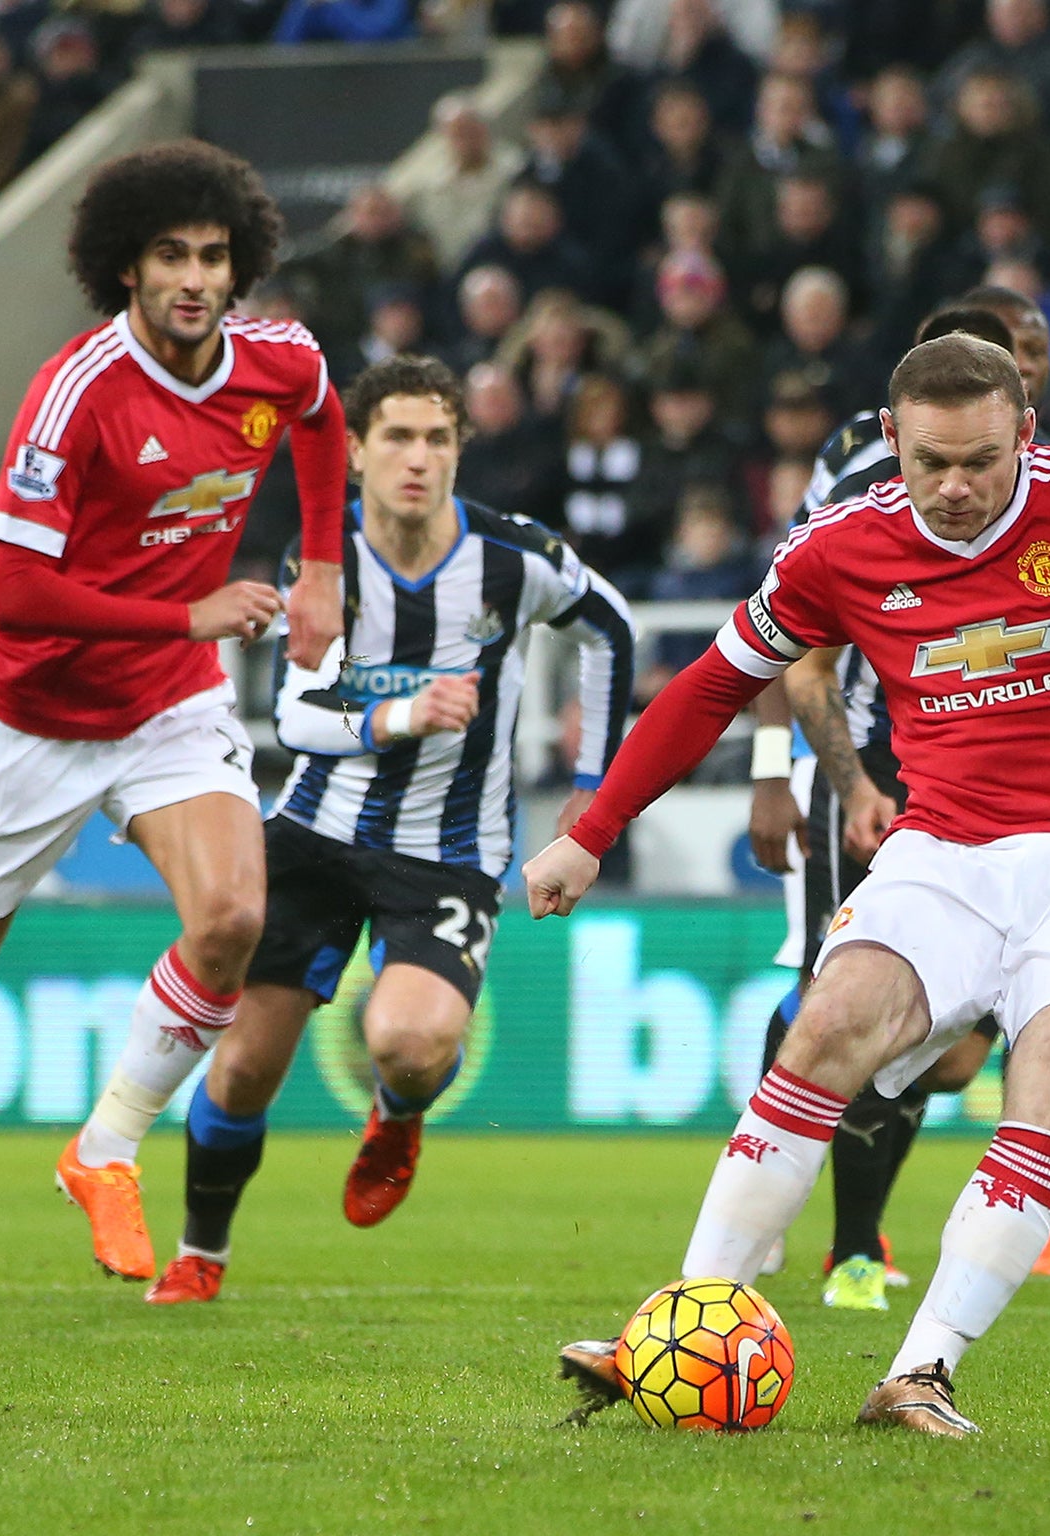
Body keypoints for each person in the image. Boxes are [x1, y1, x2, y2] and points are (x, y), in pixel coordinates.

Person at [536, 332, 1050, 1436]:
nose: (955, 489)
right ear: (889, 443)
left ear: (1025, 433)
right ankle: (683, 1325)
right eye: (929, 464)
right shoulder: (839, 546)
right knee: (822, 1033)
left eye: (980, 461)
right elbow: (714, 684)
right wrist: (591, 830)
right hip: (941, 853)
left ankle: (919, 1371)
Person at [0, 140, 347, 1318]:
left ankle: (105, 1149)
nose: (194, 277)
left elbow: (322, 416)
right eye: (170, 255)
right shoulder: (76, 393)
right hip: (34, 715)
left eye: (213, 257)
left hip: (166, 703)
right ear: (124, 270)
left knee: (232, 918)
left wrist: (321, 561)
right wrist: (191, 609)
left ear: (240, 267)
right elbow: (15, 595)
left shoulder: (275, 360)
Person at [143, 356, 633, 1303]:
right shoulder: (322, 562)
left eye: (438, 438)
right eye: (398, 437)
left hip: (449, 854)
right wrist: (400, 717)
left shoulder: (512, 558)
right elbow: (296, 717)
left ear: (459, 450)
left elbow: (608, 627)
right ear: (357, 452)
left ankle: (398, 1114)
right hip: (317, 836)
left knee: (408, 1042)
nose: (419, 458)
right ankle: (202, 1251)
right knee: (243, 1068)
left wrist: (592, 787)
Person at [754, 292, 1050, 1312]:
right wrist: (803, 776)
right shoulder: (864, 473)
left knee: (952, 1044)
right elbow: (784, 625)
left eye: (1029, 358)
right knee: (840, 1001)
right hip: (874, 763)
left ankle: (820, 1207)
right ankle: (845, 1244)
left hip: (991, 775)